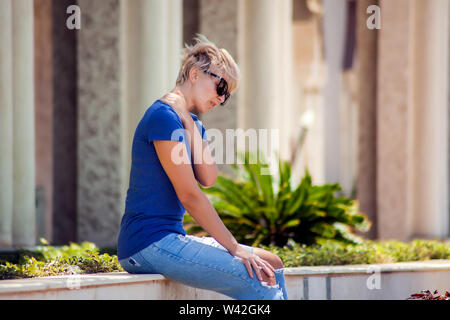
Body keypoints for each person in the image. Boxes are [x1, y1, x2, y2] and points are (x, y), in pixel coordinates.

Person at [117, 34, 288, 300]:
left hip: (169, 238)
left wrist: (188, 121)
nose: (222, 99)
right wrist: (234, 247)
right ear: (195, 74)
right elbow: (190, 195)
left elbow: (208, 177)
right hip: (147, 243)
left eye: (227, 96)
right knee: (259, 283)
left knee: (273, 265)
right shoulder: (163, 117)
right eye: (221, 88)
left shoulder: (188, 122)